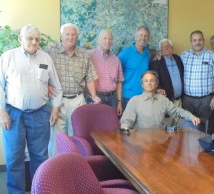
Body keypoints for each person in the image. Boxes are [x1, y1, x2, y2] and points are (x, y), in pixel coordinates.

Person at [0, 24, 62, 194]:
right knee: (14, 158)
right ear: (20, 39)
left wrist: (55, 108)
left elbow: (56, 85)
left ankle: (39, 190)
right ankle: (16, 191)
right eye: (29, 38)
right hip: (13, 114)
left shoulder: (45, 58)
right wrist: (2, 111)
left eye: (37, 39)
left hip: (40, 113)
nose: (34, 42)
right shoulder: (7, 57)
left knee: (40, 157)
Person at [45, 23, 100, 157]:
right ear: (61, 36)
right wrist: (46, 86)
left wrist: (94, 95)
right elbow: (40, 72)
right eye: (67, 34)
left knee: (78, 136)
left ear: (77, 36)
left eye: (73, 34)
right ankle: (56, 168)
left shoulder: (83, 54)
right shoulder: (49, 51)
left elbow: (90, 76)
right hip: (57, 101)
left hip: (78, 99)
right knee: (57, 137)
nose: (70, 37)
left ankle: (75, 167)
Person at [120, 71, 200, 130]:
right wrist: (125, 130)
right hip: (140, 141)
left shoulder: (163, 100)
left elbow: (177, 111)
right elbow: (126, 120)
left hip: (160, 140)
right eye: (146, 81)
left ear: (156, 84)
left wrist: (191, 117)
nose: (149, 83)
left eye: (152, 80)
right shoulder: (134, 100)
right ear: (142, 85)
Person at [180, 30, 214, 134]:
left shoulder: (211, 55)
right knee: (188, 129)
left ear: (203, 40)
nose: (197, 42)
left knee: (206, 129)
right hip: (187, 100)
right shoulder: (183, 56)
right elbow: (170, 60)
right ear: (191, 42)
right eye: (194, 40)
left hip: (206, 100)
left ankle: (205, 149)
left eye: (199, 39)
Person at [89, 29, 124, 115]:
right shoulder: (89, 55)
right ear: (98, 40)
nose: (107, 41)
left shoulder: (116, 59)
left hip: (113, 99)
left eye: (110, 39)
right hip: (96, 97)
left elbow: (119, 82)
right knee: (97, 126)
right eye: (104, 38)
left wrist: (119, 102)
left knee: (113, 125)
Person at [118, 26, 150, 110]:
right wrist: (119, 100)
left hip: (144, 96)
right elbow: (118, 78)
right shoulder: (124, 54)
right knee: (127, 123)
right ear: (135, 37)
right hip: (128, 97)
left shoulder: (147, 54)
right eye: (141, 35)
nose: (143, 38)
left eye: (146, 36)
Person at [150, 38, 184, 106]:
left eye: (167, 46)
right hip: (166, 101)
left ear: (172, 48)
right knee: (167, 117)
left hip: (180, 101)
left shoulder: (178, 58)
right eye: (163, 47)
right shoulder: (156, 61)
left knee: (179, 117)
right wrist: (158, 88)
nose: (166, 48)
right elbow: (153, 77)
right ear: (160, 50)